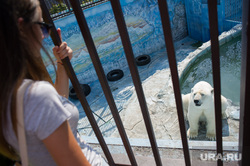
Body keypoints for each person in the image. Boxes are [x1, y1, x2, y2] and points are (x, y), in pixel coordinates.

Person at [0, 0, 104, 165]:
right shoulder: (36, 96)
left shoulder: (9, 90)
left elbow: (52, 110)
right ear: (22, 29)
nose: (44, 35)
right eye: (41, 25)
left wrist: (62, 64)